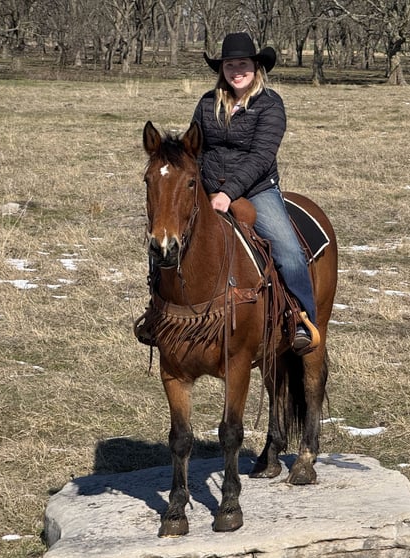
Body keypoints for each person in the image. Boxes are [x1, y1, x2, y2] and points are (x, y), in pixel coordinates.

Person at [136, 32, 319, 353]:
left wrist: (228, 193)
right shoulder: (208, 103)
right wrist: (193, 181)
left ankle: (302, 319)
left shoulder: (270, 105)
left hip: (256, 189)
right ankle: (157, 310)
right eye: (230, 64)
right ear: (222, 69)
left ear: (256, 67)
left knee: (288, 251)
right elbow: (194, 148)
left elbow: (261, 157)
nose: (237, 70)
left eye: (243, 64)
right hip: (206, 186)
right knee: (164, 236)